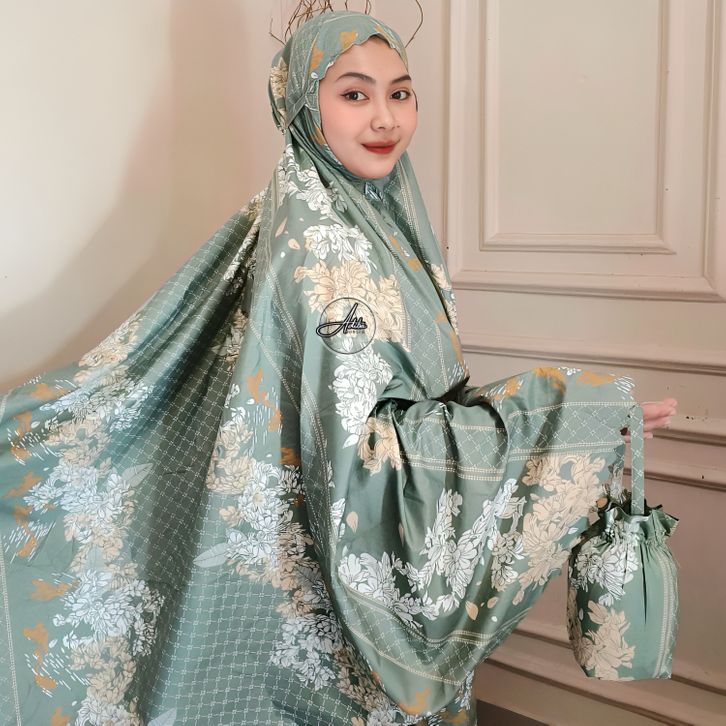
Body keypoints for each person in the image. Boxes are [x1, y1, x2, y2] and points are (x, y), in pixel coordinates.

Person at [0, 10, 676, 725]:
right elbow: (360, 453)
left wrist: (561, 423)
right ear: (303, 103)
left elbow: (398, 401)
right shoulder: (321, 245)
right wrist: (564, 418)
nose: (386, 117)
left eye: (401, 92)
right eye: (355, 94)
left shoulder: (364, 216)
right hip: (319, 584)